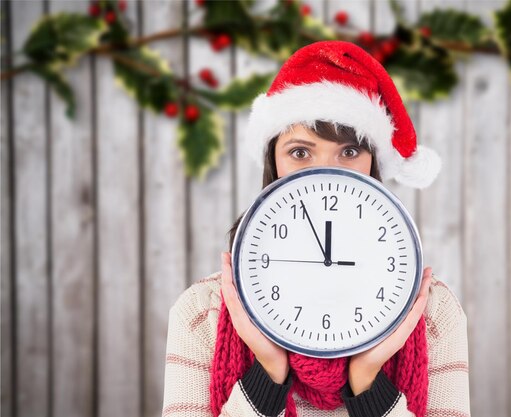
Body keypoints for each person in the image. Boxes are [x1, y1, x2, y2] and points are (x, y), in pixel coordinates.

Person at [162, 40, 470, 417]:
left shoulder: (432, 315)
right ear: (273, 163)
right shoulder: (201, 313)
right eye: (300, 152)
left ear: (373, 164)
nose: (326, 175)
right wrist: (267, 376)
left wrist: (370, 384)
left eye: (349, 151)